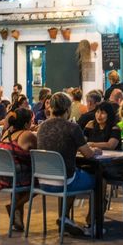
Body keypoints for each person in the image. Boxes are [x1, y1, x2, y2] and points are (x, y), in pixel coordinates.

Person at [36, 92, 100, 237]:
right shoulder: (72, 128)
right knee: (99, 180)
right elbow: (88, 154)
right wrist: (95, 150)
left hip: (44, 182)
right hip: (65, 181)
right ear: (68, 109)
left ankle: (64, 219)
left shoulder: (41, 127)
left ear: (51, 107)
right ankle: (92, 224)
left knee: (73, 173)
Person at [0, 108, 36, 232]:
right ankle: (15, 206)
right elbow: (40, 150)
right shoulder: (26, 135)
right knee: (43, 182)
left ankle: (17, 221)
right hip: (12, 178)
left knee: (21, 174)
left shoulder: (6, 132)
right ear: (26, 124)